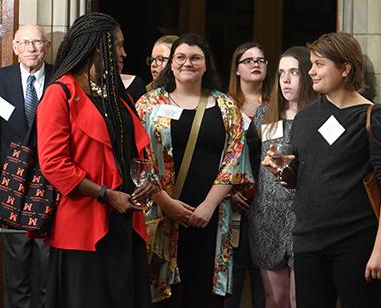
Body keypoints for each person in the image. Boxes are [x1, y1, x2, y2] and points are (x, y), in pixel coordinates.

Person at [264, 32, 381, 308]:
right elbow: (301, 181)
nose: (311, 71)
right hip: (308, 242)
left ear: (345, 69)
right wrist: (281, 170)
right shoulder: (305, 117)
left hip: (358, 244)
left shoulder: (374, 117)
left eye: (319, 64)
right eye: (312, 64)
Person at [36, 13, 153, 308]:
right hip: (83, 224)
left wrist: (147, 180)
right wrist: (105, 194)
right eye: (118, 45)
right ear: (98, 47)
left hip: (125, 218)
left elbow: (133, 150)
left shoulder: (118, 96)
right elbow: (53, 164)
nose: (124, 53)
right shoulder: (60, 92)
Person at [136, 33, 253, 307]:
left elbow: (235, 159)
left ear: (206, 64)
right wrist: (166, 203)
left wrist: (209, 206)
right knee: (163, 296)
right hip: (162, 216)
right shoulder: (148, 105)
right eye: (181, 57)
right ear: (171, 64)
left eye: (195, 58)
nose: (187, 63)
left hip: (209, 219)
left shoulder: (226, 106)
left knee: (203, 295)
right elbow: (139, 160)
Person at [0, 24, 52, 308]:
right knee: (16, 266)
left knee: (49, 265)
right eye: (24, 42)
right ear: (15, 47)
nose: (31, 48)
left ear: (47, 46)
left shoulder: (62, 79)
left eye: (37, 42)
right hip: (12, 184)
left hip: (51, 184)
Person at [249, 46, 317, 308]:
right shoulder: (264, 115)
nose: (286, 80)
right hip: (268, 218)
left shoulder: (319, 117)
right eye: (280, 73)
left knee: (300, 299)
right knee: (275, 299)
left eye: (294, 73)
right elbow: (252, 160)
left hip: (305, 218)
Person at [225, 42, 269, 308]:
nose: (256, 64)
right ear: (237, 69)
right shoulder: (224, 104)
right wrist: (229, 190)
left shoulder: (279, 103)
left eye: (261, 60)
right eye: (249, 60)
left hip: (268, 201)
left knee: (264, 276)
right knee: (233, 275)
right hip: (232, 201)